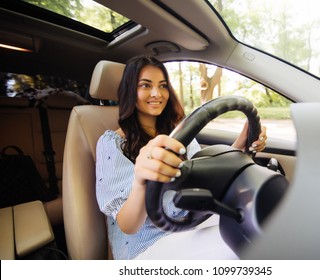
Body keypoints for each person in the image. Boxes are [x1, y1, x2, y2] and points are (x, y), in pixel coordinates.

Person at [95, 55, 267, 260]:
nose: (157, 93)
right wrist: (141, 181)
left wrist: (240, 146)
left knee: (262, 224)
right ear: (130, 90)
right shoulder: (111, 143)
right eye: (145, 85)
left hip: (193, 221)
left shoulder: (176, 132)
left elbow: (200, 172)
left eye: (162, 85)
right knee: (245, 246)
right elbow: (128, 225)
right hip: (148, 244)